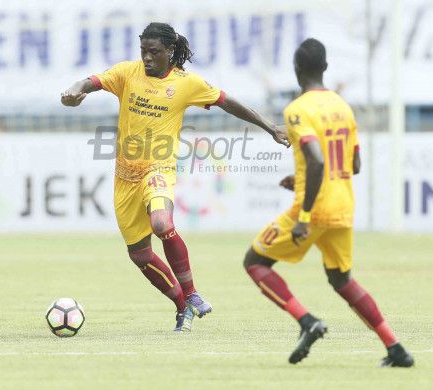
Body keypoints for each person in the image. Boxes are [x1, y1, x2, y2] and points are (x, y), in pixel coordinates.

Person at [61, 22, 289, 332]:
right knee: (140, 256)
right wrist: (77, 89)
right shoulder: (128, 73)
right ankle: (183, 307)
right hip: (125, 177)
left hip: (159, 168)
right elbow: (93, 81)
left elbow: (227, 102)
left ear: (170, 51)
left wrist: (270, 127)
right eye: (143, 51)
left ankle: (192, 293)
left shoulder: (186, 83)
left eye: (153, 52)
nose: (147, 58)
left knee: (161, 224)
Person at [242, 38, 414, 367]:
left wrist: (305, 215)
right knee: (341, 279)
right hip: (343, 207)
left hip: (314, 209)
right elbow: (355, 165)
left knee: (255, 261)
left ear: (296, 70)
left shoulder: (297, 110)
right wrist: (301, 178)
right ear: (325, 68)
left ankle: (307, 322)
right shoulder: (342, 106)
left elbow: (318, 161)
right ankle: (395, 348)